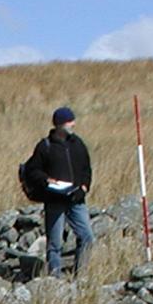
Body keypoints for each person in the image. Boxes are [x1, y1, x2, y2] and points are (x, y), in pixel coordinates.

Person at [26, 105, 94, 277]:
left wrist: (84, 187)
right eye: (69, 121)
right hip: (54, 200)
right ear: (59, 125)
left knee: (87, 236)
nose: (73, 124)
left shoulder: (78, 144)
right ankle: (55, 278)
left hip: (76, 199)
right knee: (55, 243)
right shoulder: (45, 146)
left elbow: (87, 169)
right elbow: (32, 170)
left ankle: (81, 274)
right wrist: (46, 180)